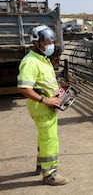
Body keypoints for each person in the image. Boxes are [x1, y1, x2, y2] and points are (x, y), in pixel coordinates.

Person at [17, 25, 69, 186]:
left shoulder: (42, 59)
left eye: (51, 41)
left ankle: (41, 165)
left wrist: (59, 92)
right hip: (42, 107)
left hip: (48, 105)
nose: (50, 44)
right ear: (36, 43)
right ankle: (50, 174)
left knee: (44, 138)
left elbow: (45, 83)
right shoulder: (30, 62)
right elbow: (24, 88)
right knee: (49, 139)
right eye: (46, 42)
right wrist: (45, 100)